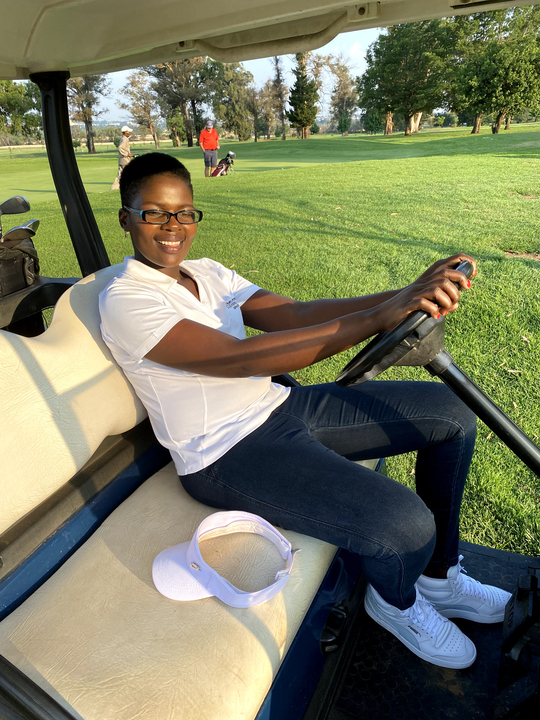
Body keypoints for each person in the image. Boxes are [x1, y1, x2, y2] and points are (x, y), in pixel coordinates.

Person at [99, 153, 511, 671]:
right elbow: (240, 358)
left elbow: (294, 314)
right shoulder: (126, 299)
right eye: (154, 213)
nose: (172, 227)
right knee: (407, 525)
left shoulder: (207, 272)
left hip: (278, 406)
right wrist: (376, 318)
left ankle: (439, 578)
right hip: (224, 454)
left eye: (184, 212)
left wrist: (406, 296)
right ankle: (395, 604)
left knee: (452, 414)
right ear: (126, 218)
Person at [110, 126, 134, 191]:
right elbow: (120, 148)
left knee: (119, 175)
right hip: (125, 160)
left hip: (122, 160)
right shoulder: (124, 140)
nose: (129, 133)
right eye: (128, 132)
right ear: (125, 132)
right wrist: (127, 154)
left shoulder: (123, 139)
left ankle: (113, 189)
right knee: (130, 174)